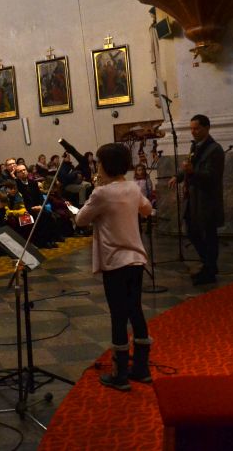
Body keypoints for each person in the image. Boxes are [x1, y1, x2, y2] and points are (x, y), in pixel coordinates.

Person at [75, 143, 153, 391]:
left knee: (118, 315)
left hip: (115, 262)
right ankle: (141, 369)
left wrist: (97, 189)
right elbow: (147, 209)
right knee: (135, 311)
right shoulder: (132, 187)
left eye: (98, 162)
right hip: (136, 259)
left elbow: (80, 220)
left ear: (106, 165)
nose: (97, 167)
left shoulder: (102, 193)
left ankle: (120, 375)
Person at [168, 114, 225, 285]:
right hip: (193, 199)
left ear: (207, 128)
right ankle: (208, 264)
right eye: (191, 129)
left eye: (196, 128)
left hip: (207, 200)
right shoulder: (195, 146)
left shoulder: (215, 149)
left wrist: (192, 171)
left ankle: (209, 269)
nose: (193, 132)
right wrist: (178, 176)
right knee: (192, 232)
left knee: (208, 235)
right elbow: (189, 165)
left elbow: (212, 176)